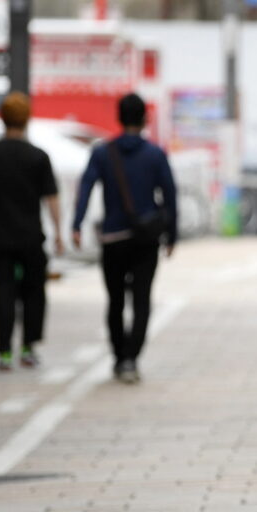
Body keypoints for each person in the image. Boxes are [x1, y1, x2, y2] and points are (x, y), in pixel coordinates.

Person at [72, 93, 178, 384]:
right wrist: (172, 235)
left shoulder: (103, 153)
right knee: (142, 300)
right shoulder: (156, 155)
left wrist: (77, 223)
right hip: (146, 240)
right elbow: (170, 196)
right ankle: (131, 358)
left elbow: (86, 187)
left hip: (113, 238)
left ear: (119, 117)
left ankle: (119, 357)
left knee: (115, 300)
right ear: (145, 119)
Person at [0, 92, 64, 371]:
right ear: (27, 119)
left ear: (2, 118)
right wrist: (58, 232)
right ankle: (29, 347)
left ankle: (4, 351)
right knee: (34, 292)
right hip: (31, 236)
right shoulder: (38, 157)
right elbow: (51, 198)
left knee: (3, 291)